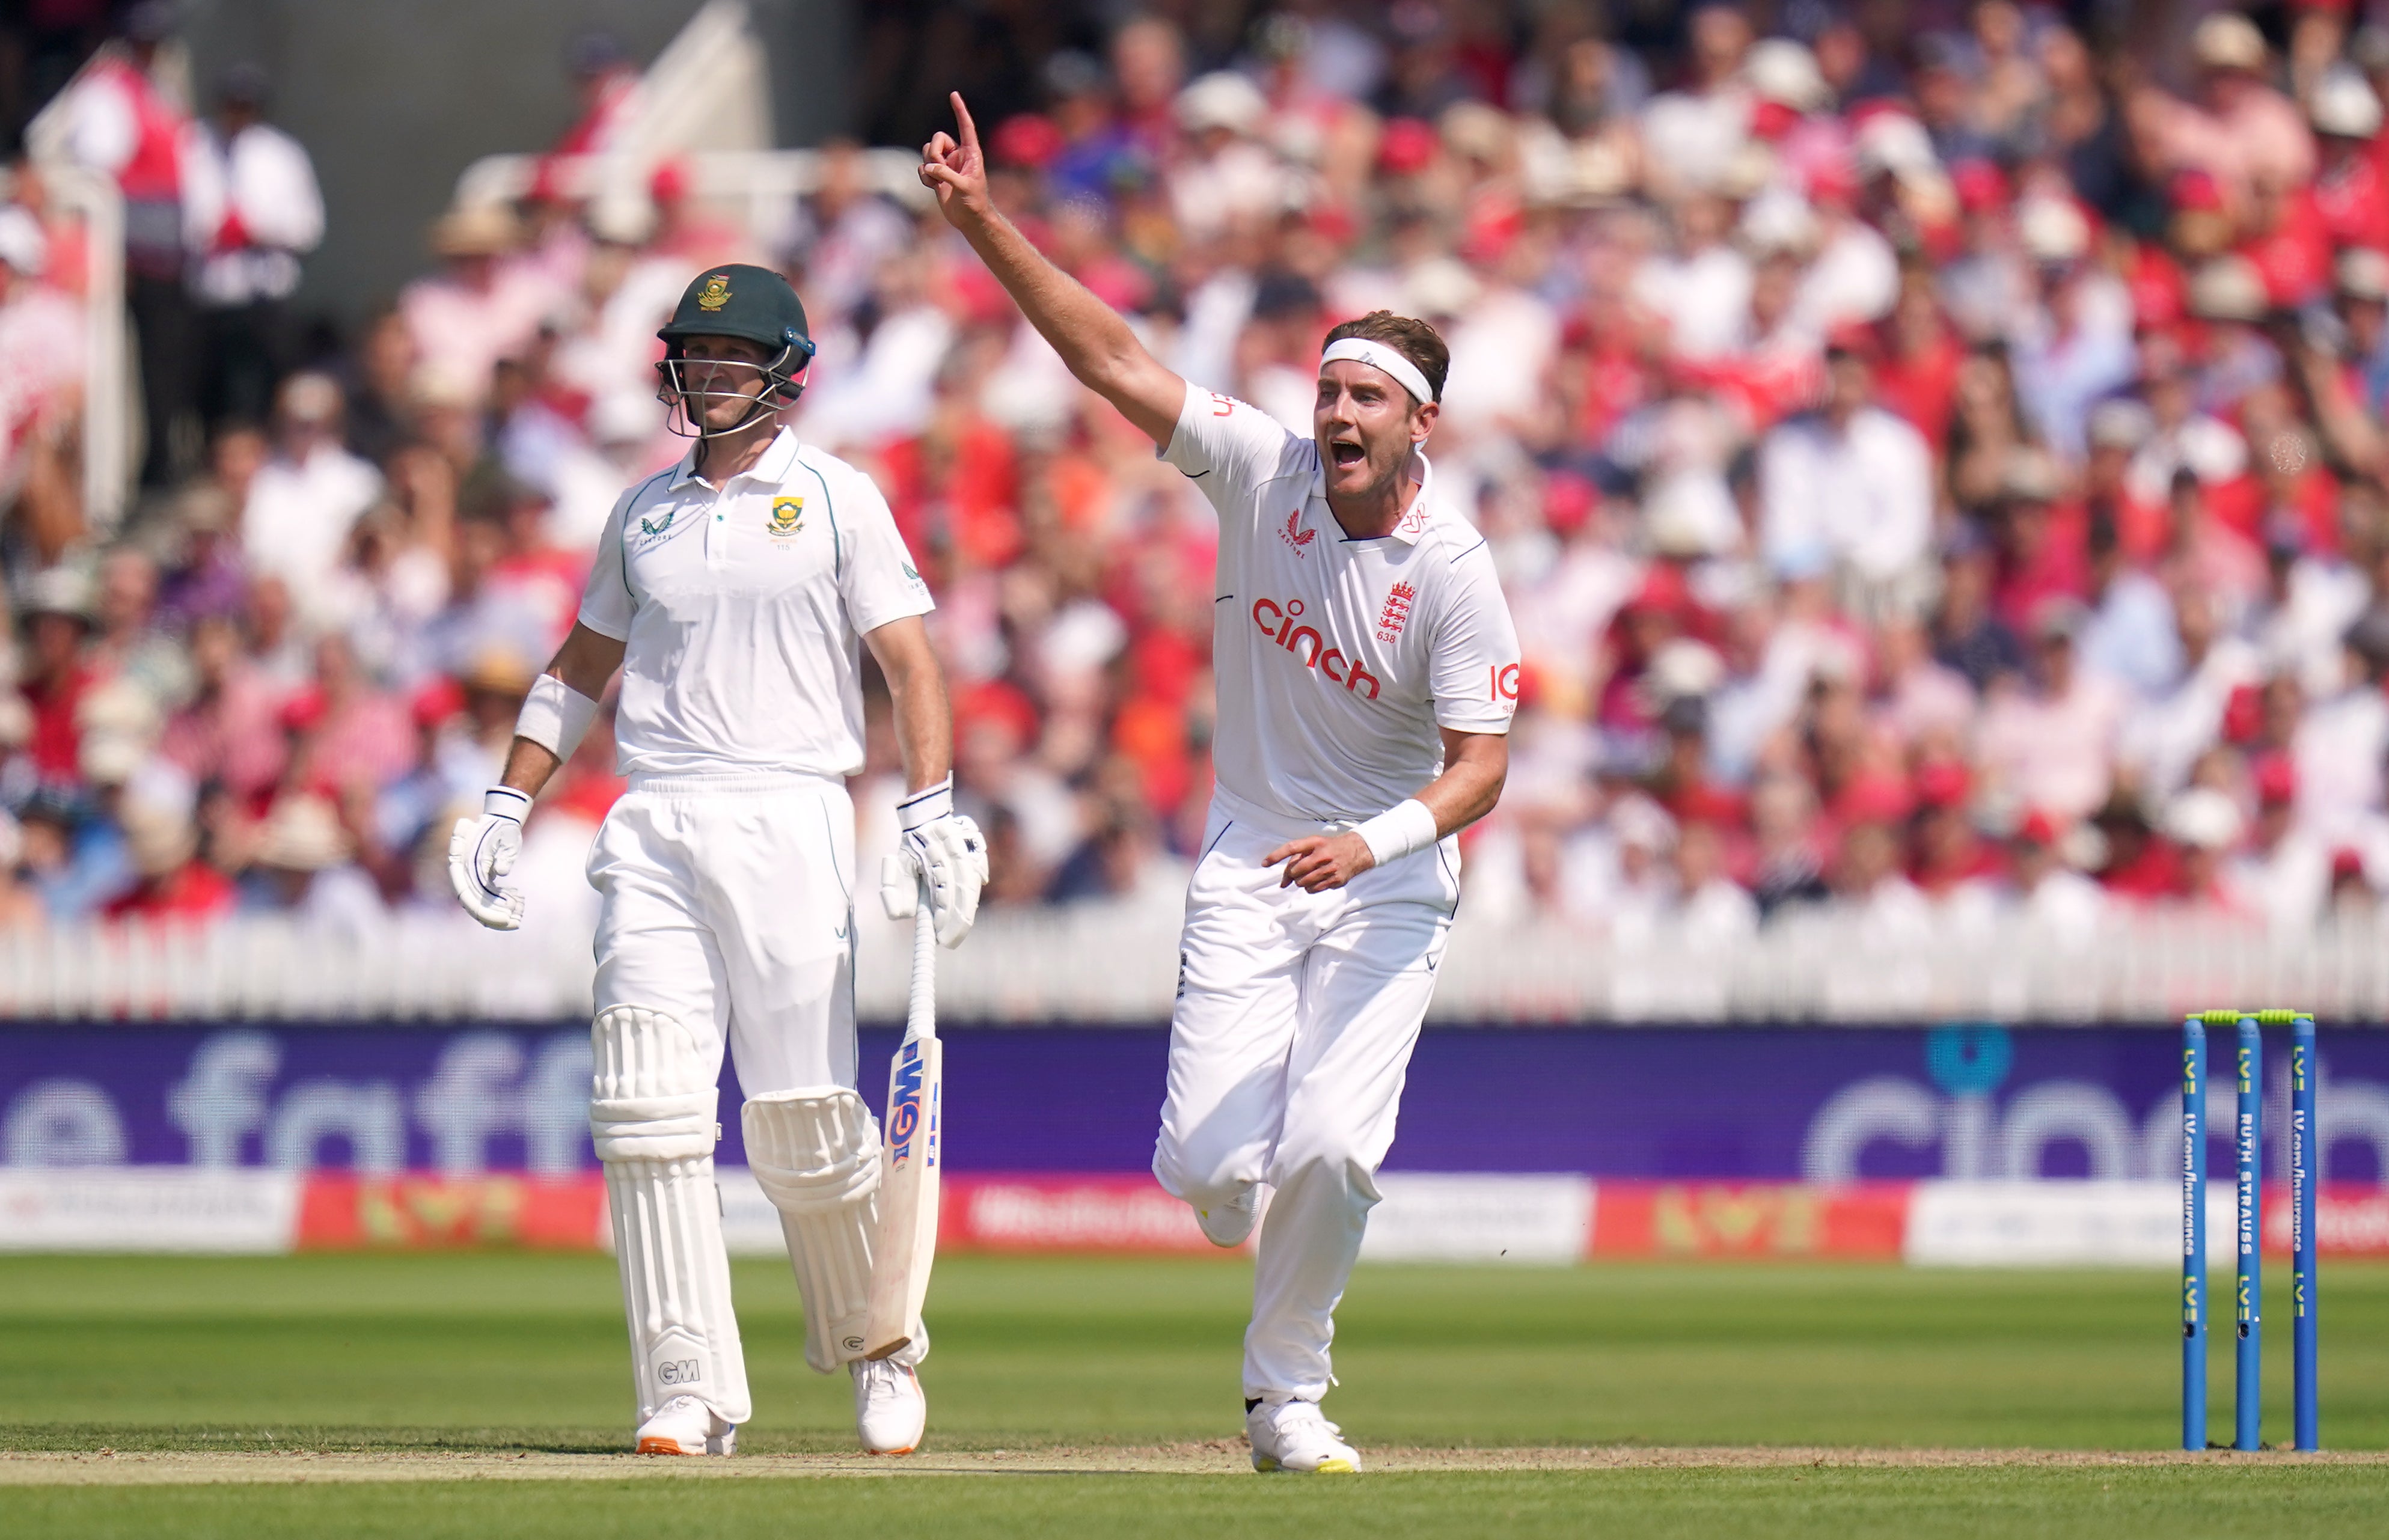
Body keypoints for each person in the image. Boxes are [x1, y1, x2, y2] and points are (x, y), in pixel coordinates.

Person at [922, 94, 1518, 1475]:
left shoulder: (1456, 569)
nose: (1335, 414)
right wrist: (982, 222)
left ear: (1420, 420)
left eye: (1364, 396)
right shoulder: (1264, 468)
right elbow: (1112, 359)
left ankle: (1284, 1399)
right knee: (1205, 1170)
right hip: (1250, 856)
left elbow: (1482, 770)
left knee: (1329, 1149)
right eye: (1327, 390)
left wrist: (1365, 847)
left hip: (1387, 882)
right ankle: (1226, 1215)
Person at [445, 263, 985, 1459]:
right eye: (696, 355)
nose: (711, 373)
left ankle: (877, 1348)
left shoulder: (839, 498)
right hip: (655, 818)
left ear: (786, 371)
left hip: (790, 810)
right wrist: (504, 802)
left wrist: (932, 806)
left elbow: (910, 663)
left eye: (734, 356)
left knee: (800, 1119)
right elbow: (580, 667)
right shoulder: (641, 512)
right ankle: (685, 1387)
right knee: (646, 1107)